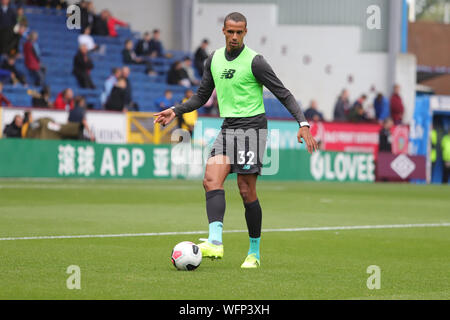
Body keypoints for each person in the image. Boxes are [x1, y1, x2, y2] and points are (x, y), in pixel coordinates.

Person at [154, 12, 317, 269]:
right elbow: (201, 96)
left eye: (239, 32)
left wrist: (303, 123)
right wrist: (176, 110)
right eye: (230, 31)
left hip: (252, 128)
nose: (234, 36)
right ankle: (215, 243)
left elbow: (283, 93)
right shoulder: (213, 59)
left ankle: (254, 253)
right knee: (210, 179)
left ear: (245, 32)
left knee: (245, 190)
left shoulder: (256, 62)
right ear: (223, 31)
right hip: (229, 126)